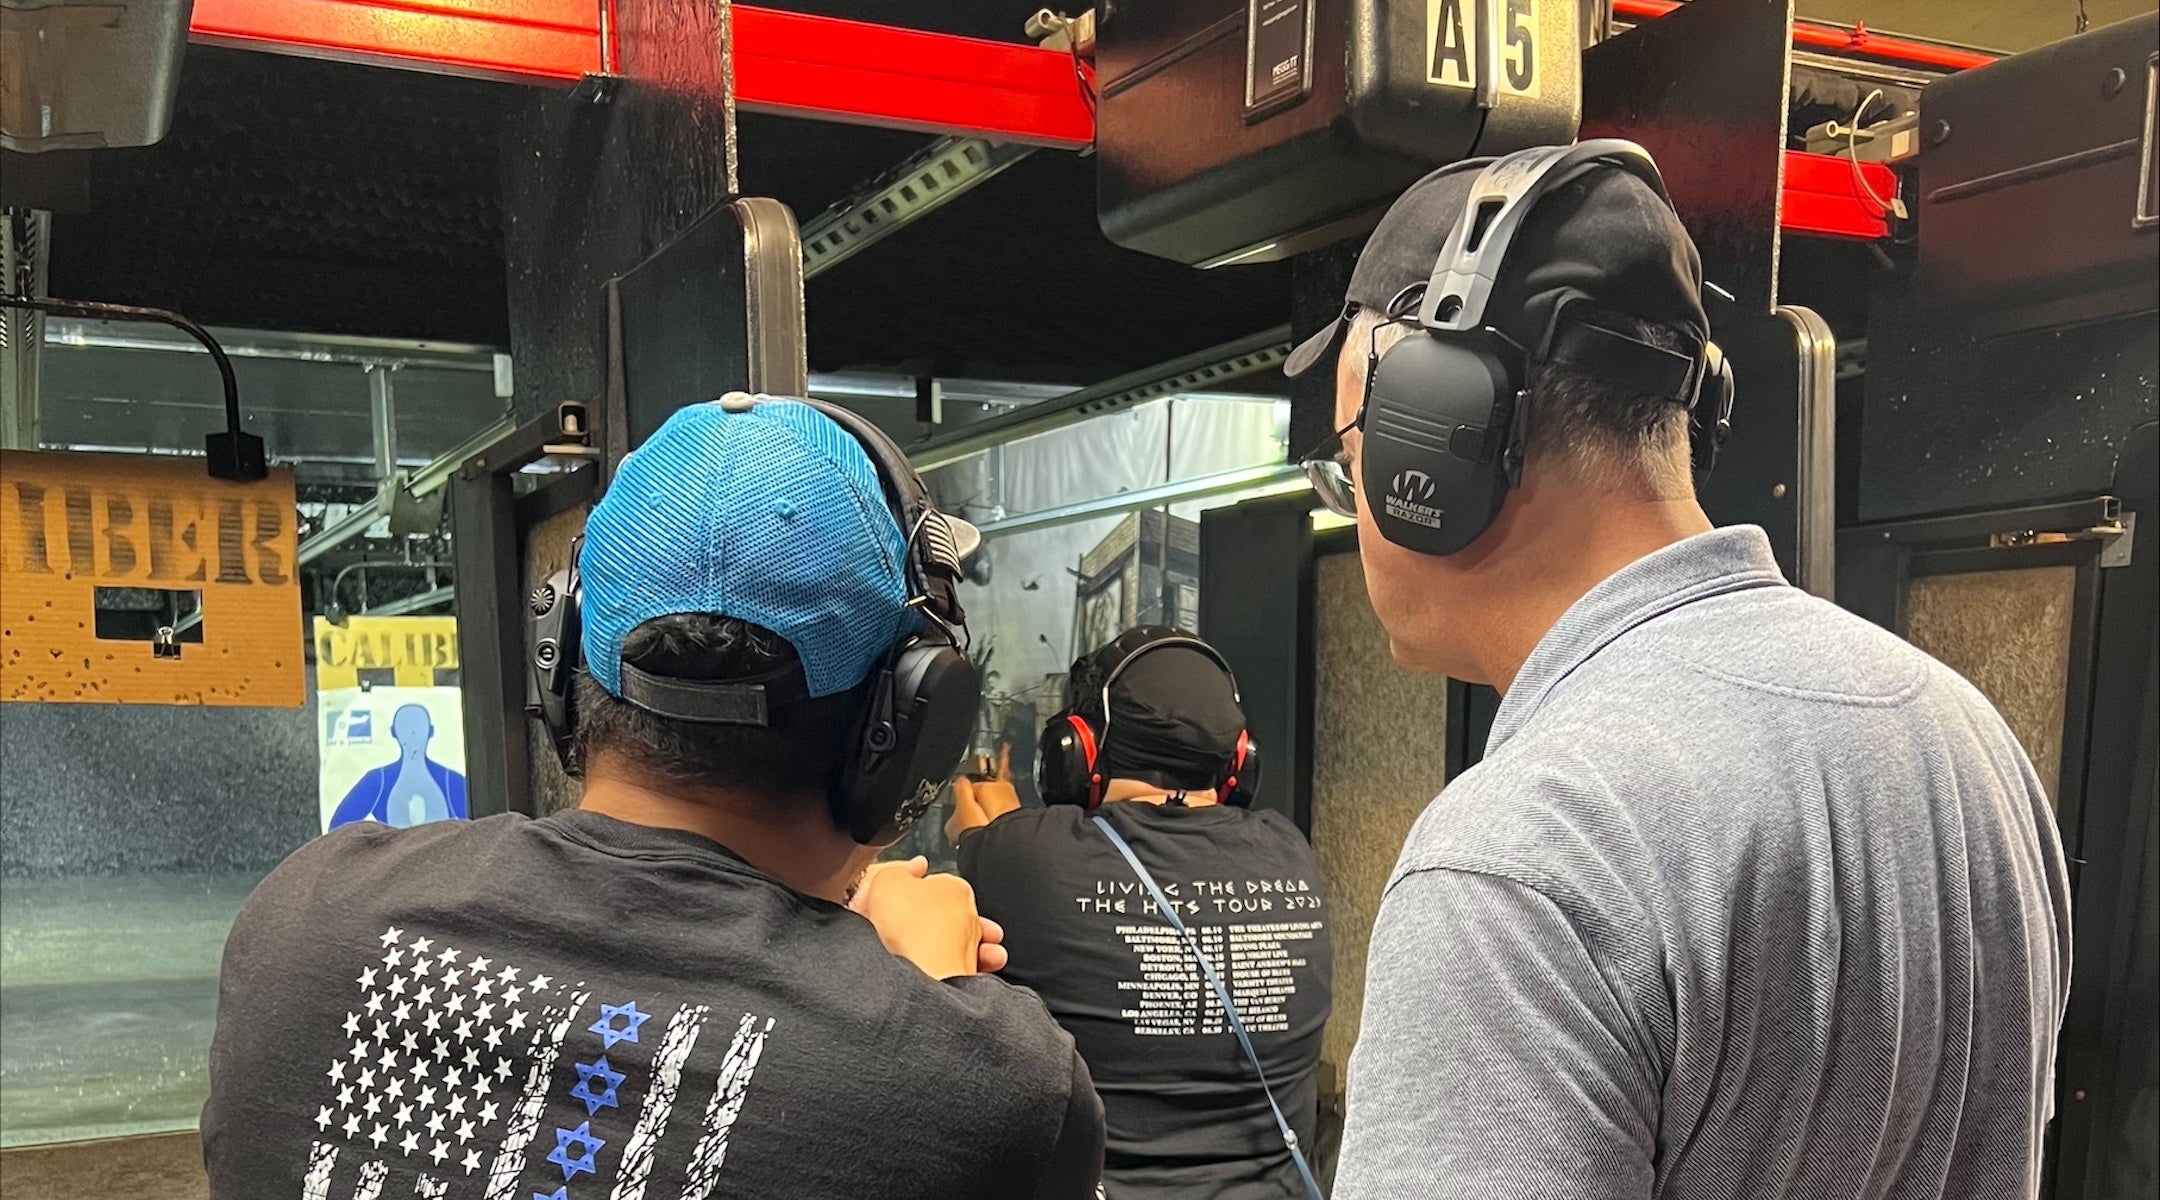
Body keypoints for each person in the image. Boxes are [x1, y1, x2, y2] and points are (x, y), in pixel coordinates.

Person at [1288, 143, 2070, 1197]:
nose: (1354, 494)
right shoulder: (1970, 744)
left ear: (1439, 441)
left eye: (1352, 450)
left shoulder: (1521, 860)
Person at [204, 396, 1104, 1198]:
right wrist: (933, 1002)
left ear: (560, 666)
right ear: (912, 724)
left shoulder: (305, 920)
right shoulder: (992, 1092)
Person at [950, 626, 1332, 1200]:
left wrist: (989, 825)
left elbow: (982, 833)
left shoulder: (1024, 854)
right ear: (1238, 763)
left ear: (1076, 749)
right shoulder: (1290, 851)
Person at [328, 702, 469, 829]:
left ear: (393, 732)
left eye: (417, 729)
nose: (413, 735)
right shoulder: (379, 780)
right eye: (408, 729)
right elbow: (339, 827)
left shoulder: (450, 781)